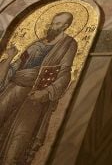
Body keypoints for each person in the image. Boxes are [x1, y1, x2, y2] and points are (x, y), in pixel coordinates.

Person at [0, 12, 78, 164]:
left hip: (34, 96)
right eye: (53, 22)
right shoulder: (36, 43)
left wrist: (47, 92)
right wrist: (9, 57)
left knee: (20, 136)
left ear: (65, 26)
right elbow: (16, 67)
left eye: (57, 24)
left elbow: (65, 73)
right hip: (14, 87)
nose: (52, 26)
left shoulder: (68, 44)